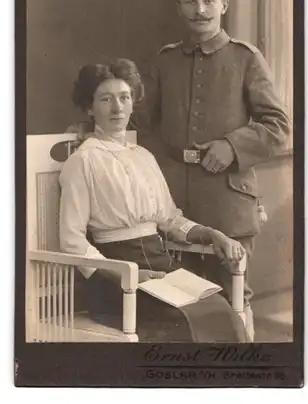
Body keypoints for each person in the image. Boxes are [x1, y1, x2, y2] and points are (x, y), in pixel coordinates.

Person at [130, 0, 291, 341]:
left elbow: (279, 125)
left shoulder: (246, 58)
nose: (199, 10)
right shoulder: (166, 60)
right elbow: (140, 120)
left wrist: (231, 145)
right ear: (179, 8)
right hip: (173, 203)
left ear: (224, 5)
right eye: (190, 1)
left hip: (227, 203)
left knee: (233, 300)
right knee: (178, 304)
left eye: (208, 1)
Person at [59, 60, 248, 343]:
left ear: (133, 103)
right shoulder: (82, 161)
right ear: (89, 107)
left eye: (124, 98)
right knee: (181, 322)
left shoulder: (143, 156)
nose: (117, 108)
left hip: (161, 267)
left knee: (218, 308)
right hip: (116, 280)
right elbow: (71, 241)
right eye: (106, 99)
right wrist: (129, 275)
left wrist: (212, 234)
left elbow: (169, 220)